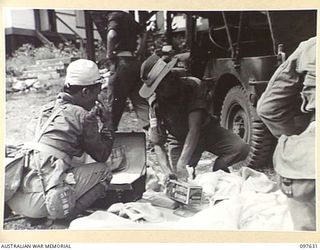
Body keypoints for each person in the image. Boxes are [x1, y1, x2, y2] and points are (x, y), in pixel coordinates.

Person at [7, 59, 114, 220]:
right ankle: (64, 216)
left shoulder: (43, 109)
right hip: (42, 202)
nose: (97, 99)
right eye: (96, 93)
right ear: (85, 92)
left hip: (14, 198)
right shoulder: (83, 116)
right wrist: (108, 123)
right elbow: (102, 154)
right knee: (104, 170)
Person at [139, 54, 250, 179]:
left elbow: (195, 128)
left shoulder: (192, 86)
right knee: (180, 179)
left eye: (160, 87)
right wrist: (167, 171)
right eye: (155, 89)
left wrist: (182, 163)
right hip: (179, 140)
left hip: (208, 132)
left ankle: (218, 170)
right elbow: (157, 143)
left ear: (169, 78)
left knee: (240, 148)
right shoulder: (156, 103)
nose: (158, 92)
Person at [257, 37, 316, 231]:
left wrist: (300, 140)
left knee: (307, 239)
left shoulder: (312, 45)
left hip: (307, 163)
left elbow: (267, 108)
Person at [102, 11, 149, 131]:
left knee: (114, 104)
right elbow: (144, 33)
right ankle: (154, 137)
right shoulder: (129, 18)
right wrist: (140, 51)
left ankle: (109, 136)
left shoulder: (115, 16)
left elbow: (112, 35)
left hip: (121, 62)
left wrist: (109, 53)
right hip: (135, 62)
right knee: (141, 102)